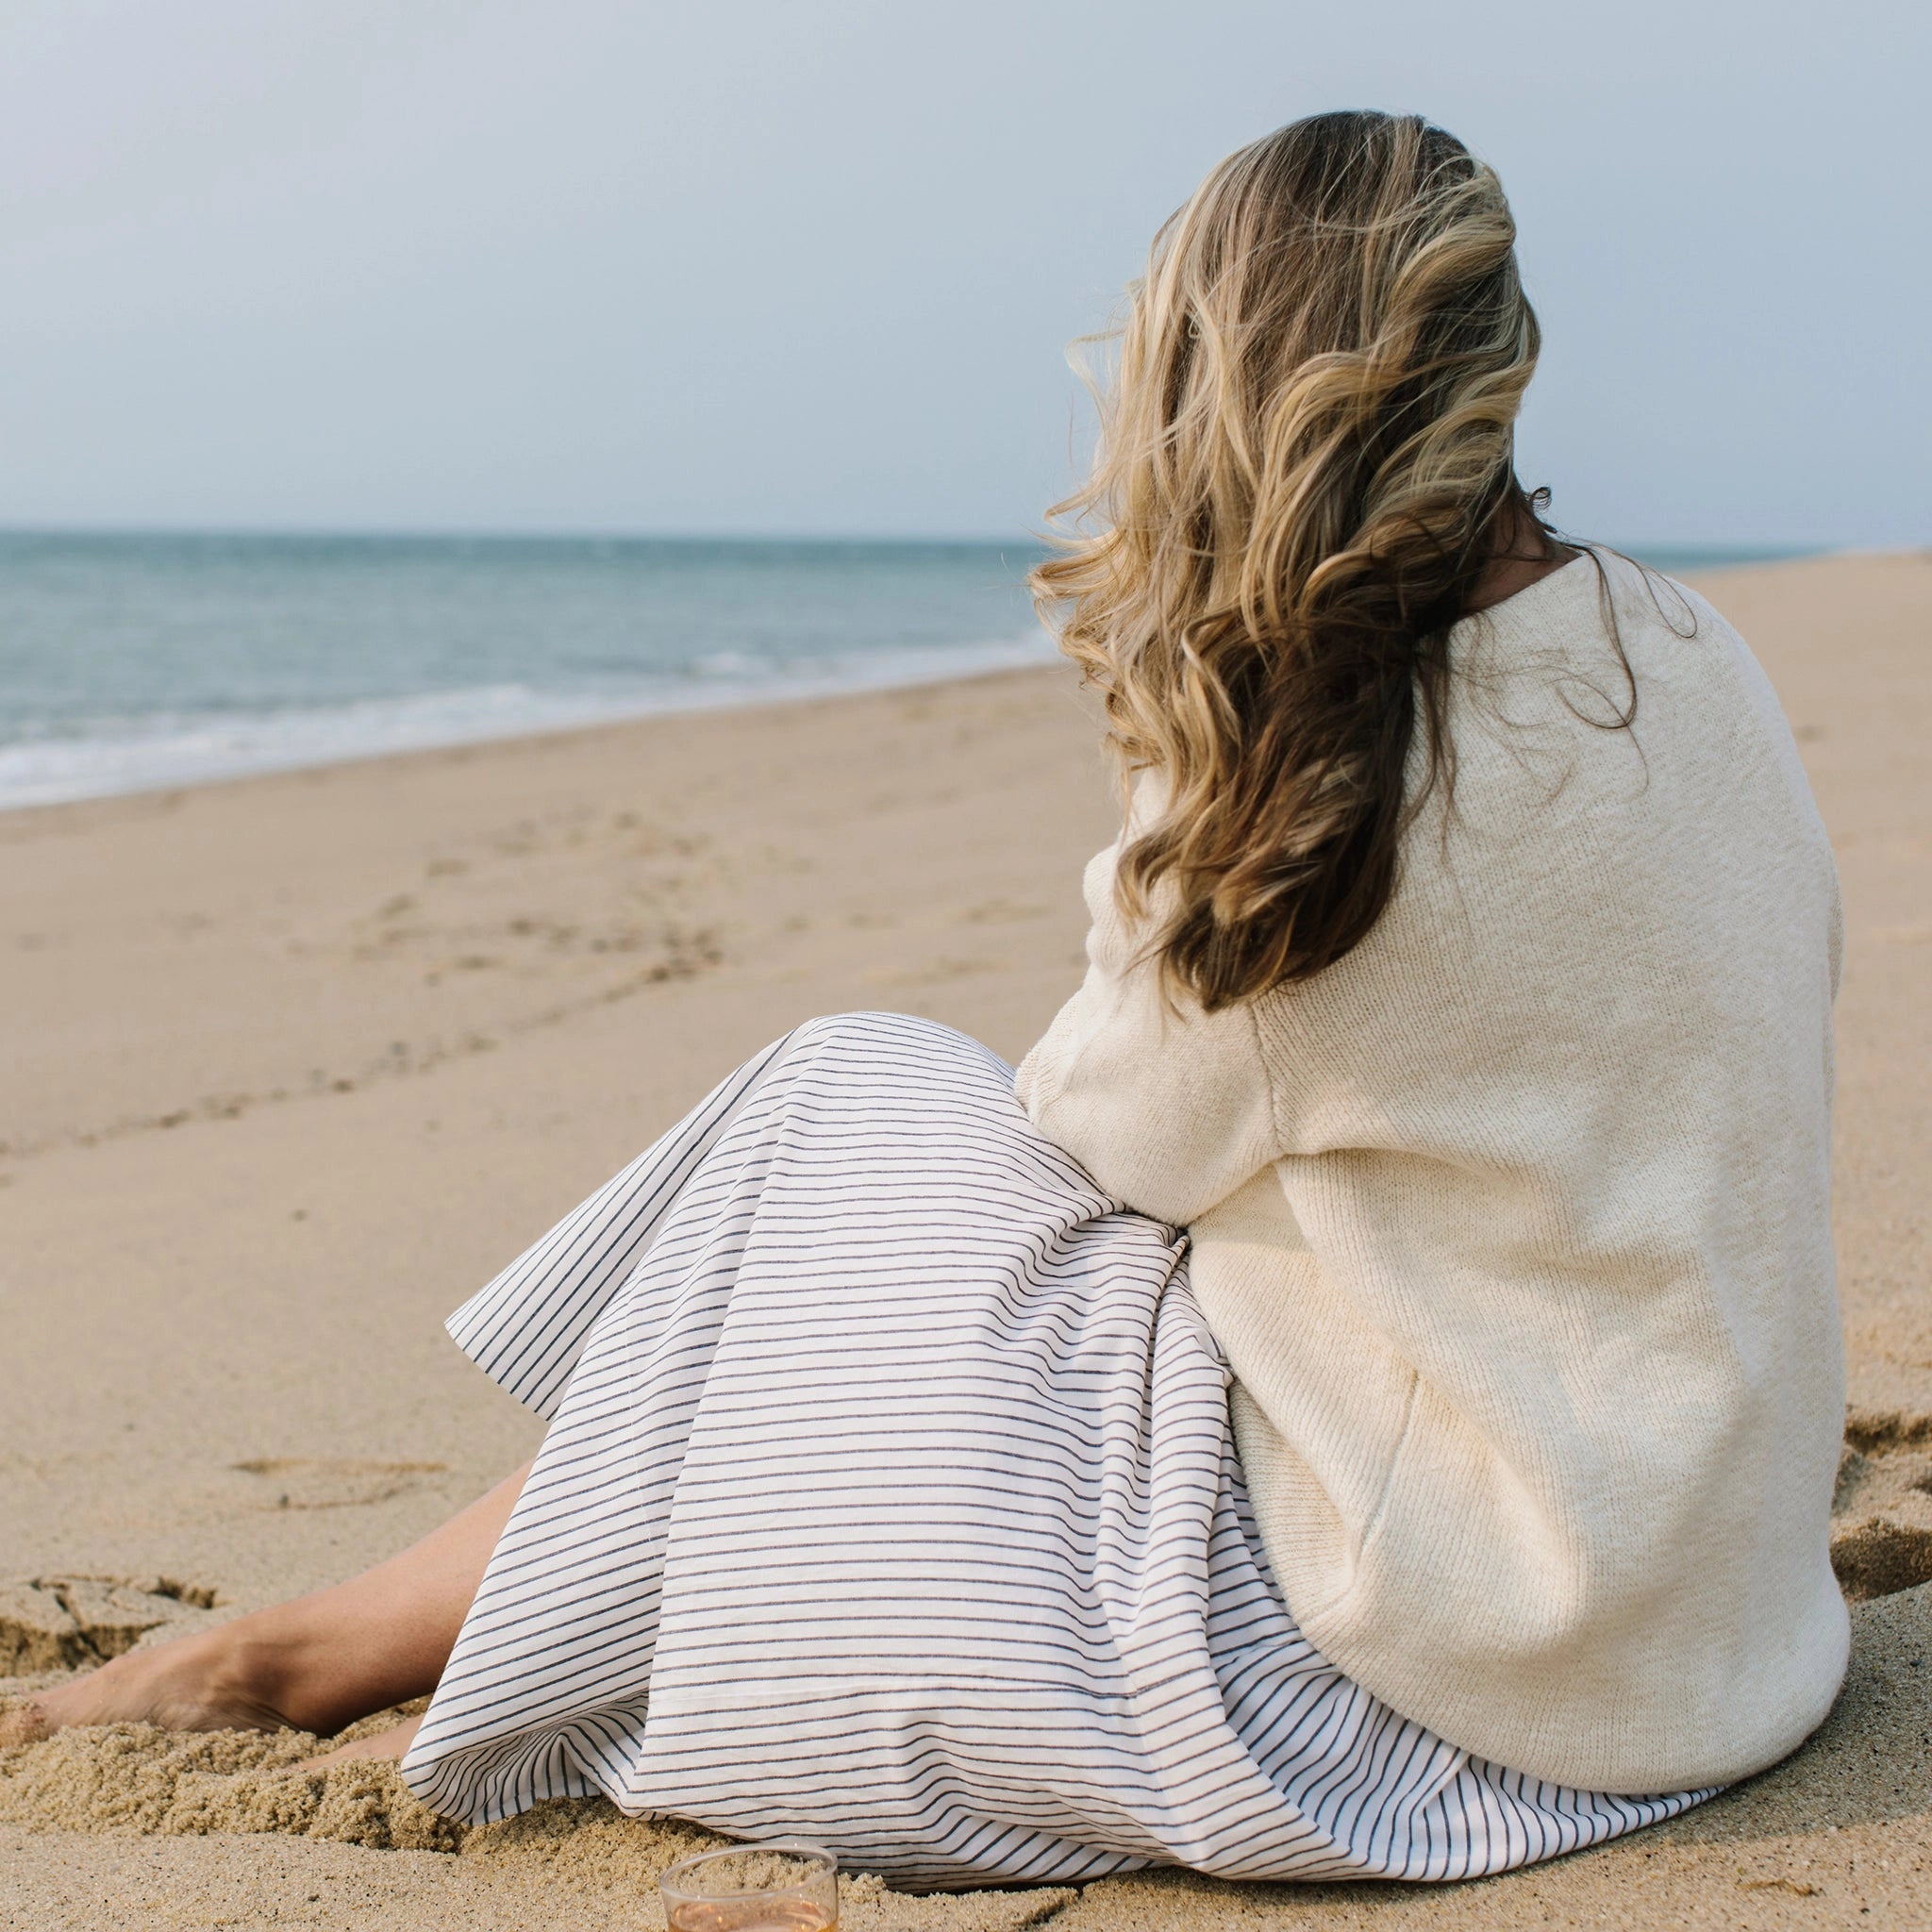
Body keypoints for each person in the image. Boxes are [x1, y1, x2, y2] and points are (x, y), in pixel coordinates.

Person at [3, 109, 1846, 1890]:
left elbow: (1091, 1138)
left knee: (840, 1096)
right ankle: (365, 1623)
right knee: (861, 1191)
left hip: (1415, 1692)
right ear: (1491, 366)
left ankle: (313, 1648)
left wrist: (1179, 774)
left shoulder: (1339, 793)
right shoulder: (1690, 656)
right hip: (1706, 1623)